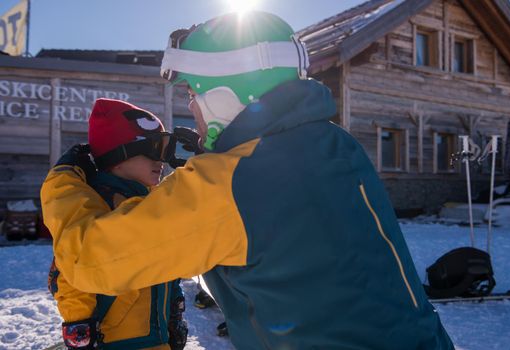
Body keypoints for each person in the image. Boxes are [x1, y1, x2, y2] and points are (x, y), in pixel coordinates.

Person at [41, 11, 454, 350]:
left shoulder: (229, 184)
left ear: (222, 95)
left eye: (192, 95)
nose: (192, 109)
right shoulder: (334, 144)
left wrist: (62, 181)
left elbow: (89, 260)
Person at [47, 98, 188, 350]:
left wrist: (175, 311)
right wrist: (79, 327)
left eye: (164, 151)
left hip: (157, 337)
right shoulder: (98, 203)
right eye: (153, 150)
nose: (161, 161)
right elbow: (70, 274)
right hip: (114, 340)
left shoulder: (149, 202)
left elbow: (167, 263)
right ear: (118, 155)